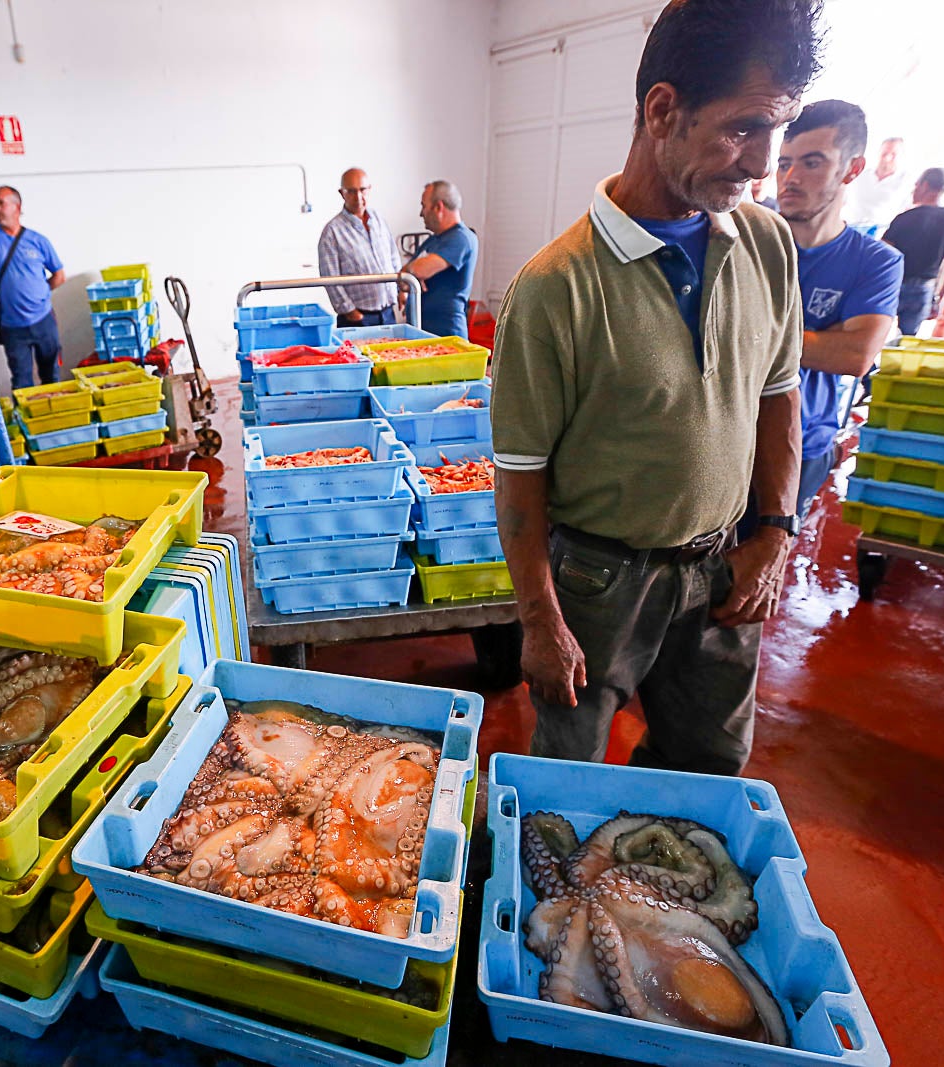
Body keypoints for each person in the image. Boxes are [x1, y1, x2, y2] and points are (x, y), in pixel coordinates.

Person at [490, 0, 820, 775]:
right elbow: (520, 471)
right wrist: (539, 620)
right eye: (744, 128)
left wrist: (773, 532)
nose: (764, 163)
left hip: (724, 567)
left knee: (708, 763)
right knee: (568, 772)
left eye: (779, 131)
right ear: (663, 110)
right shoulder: (555, 287)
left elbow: (779, 396)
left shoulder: (767, 245)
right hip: (597, 582)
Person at [775, 100, 901, 520]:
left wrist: (748, 332)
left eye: (812, 163)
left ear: (852, 168)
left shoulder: (876, 261)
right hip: (728, 437)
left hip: (806, 442)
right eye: (784, 163)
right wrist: (818, 341)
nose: (790, 178)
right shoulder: (741, 239)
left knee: (765, 570)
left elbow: (855, 356)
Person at [0, 186, 67, 389]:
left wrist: (40, 293)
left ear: (17, 207)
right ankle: (25, 421)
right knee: (21, 381)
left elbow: (59, 276)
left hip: (44, 320)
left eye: (1, 203)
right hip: (12, 325)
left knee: (51, 377)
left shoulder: (37, 240)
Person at [883, 168, 944, 336]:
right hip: (925, 288)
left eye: (916, 185)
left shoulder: (905, 218)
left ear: (925, 185)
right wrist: (941, 298)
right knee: (908, 338)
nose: (913, 190)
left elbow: (882, 254)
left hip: (894, 285)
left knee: (879, 334)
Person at [317, 168, 399, 329]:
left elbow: (393, 256)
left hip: (388, 313)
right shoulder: (332, 231)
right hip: (357, 319)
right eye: (352, 191)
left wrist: (401, 289)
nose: (358, 197)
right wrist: (351, 312)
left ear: (369, 190)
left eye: (362, 190)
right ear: (342, 193)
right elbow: (330, 278)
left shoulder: (378, 220)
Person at [403, 181, 477, 338]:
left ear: (438, 207)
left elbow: (418, 269)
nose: (421, 213)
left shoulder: (461, 238)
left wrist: (414, 271)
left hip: (446, 336)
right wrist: (412, 274)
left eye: (424, 206)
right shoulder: (433, 241)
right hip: (423, 334)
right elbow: (403, 279)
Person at [844, 136, 908, 232]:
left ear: (902, 156)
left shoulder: (906, 182)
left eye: (893, 154)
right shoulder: (860, 174)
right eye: (884, 153)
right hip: (848, 228)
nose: (887, 158)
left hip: (880, 235)